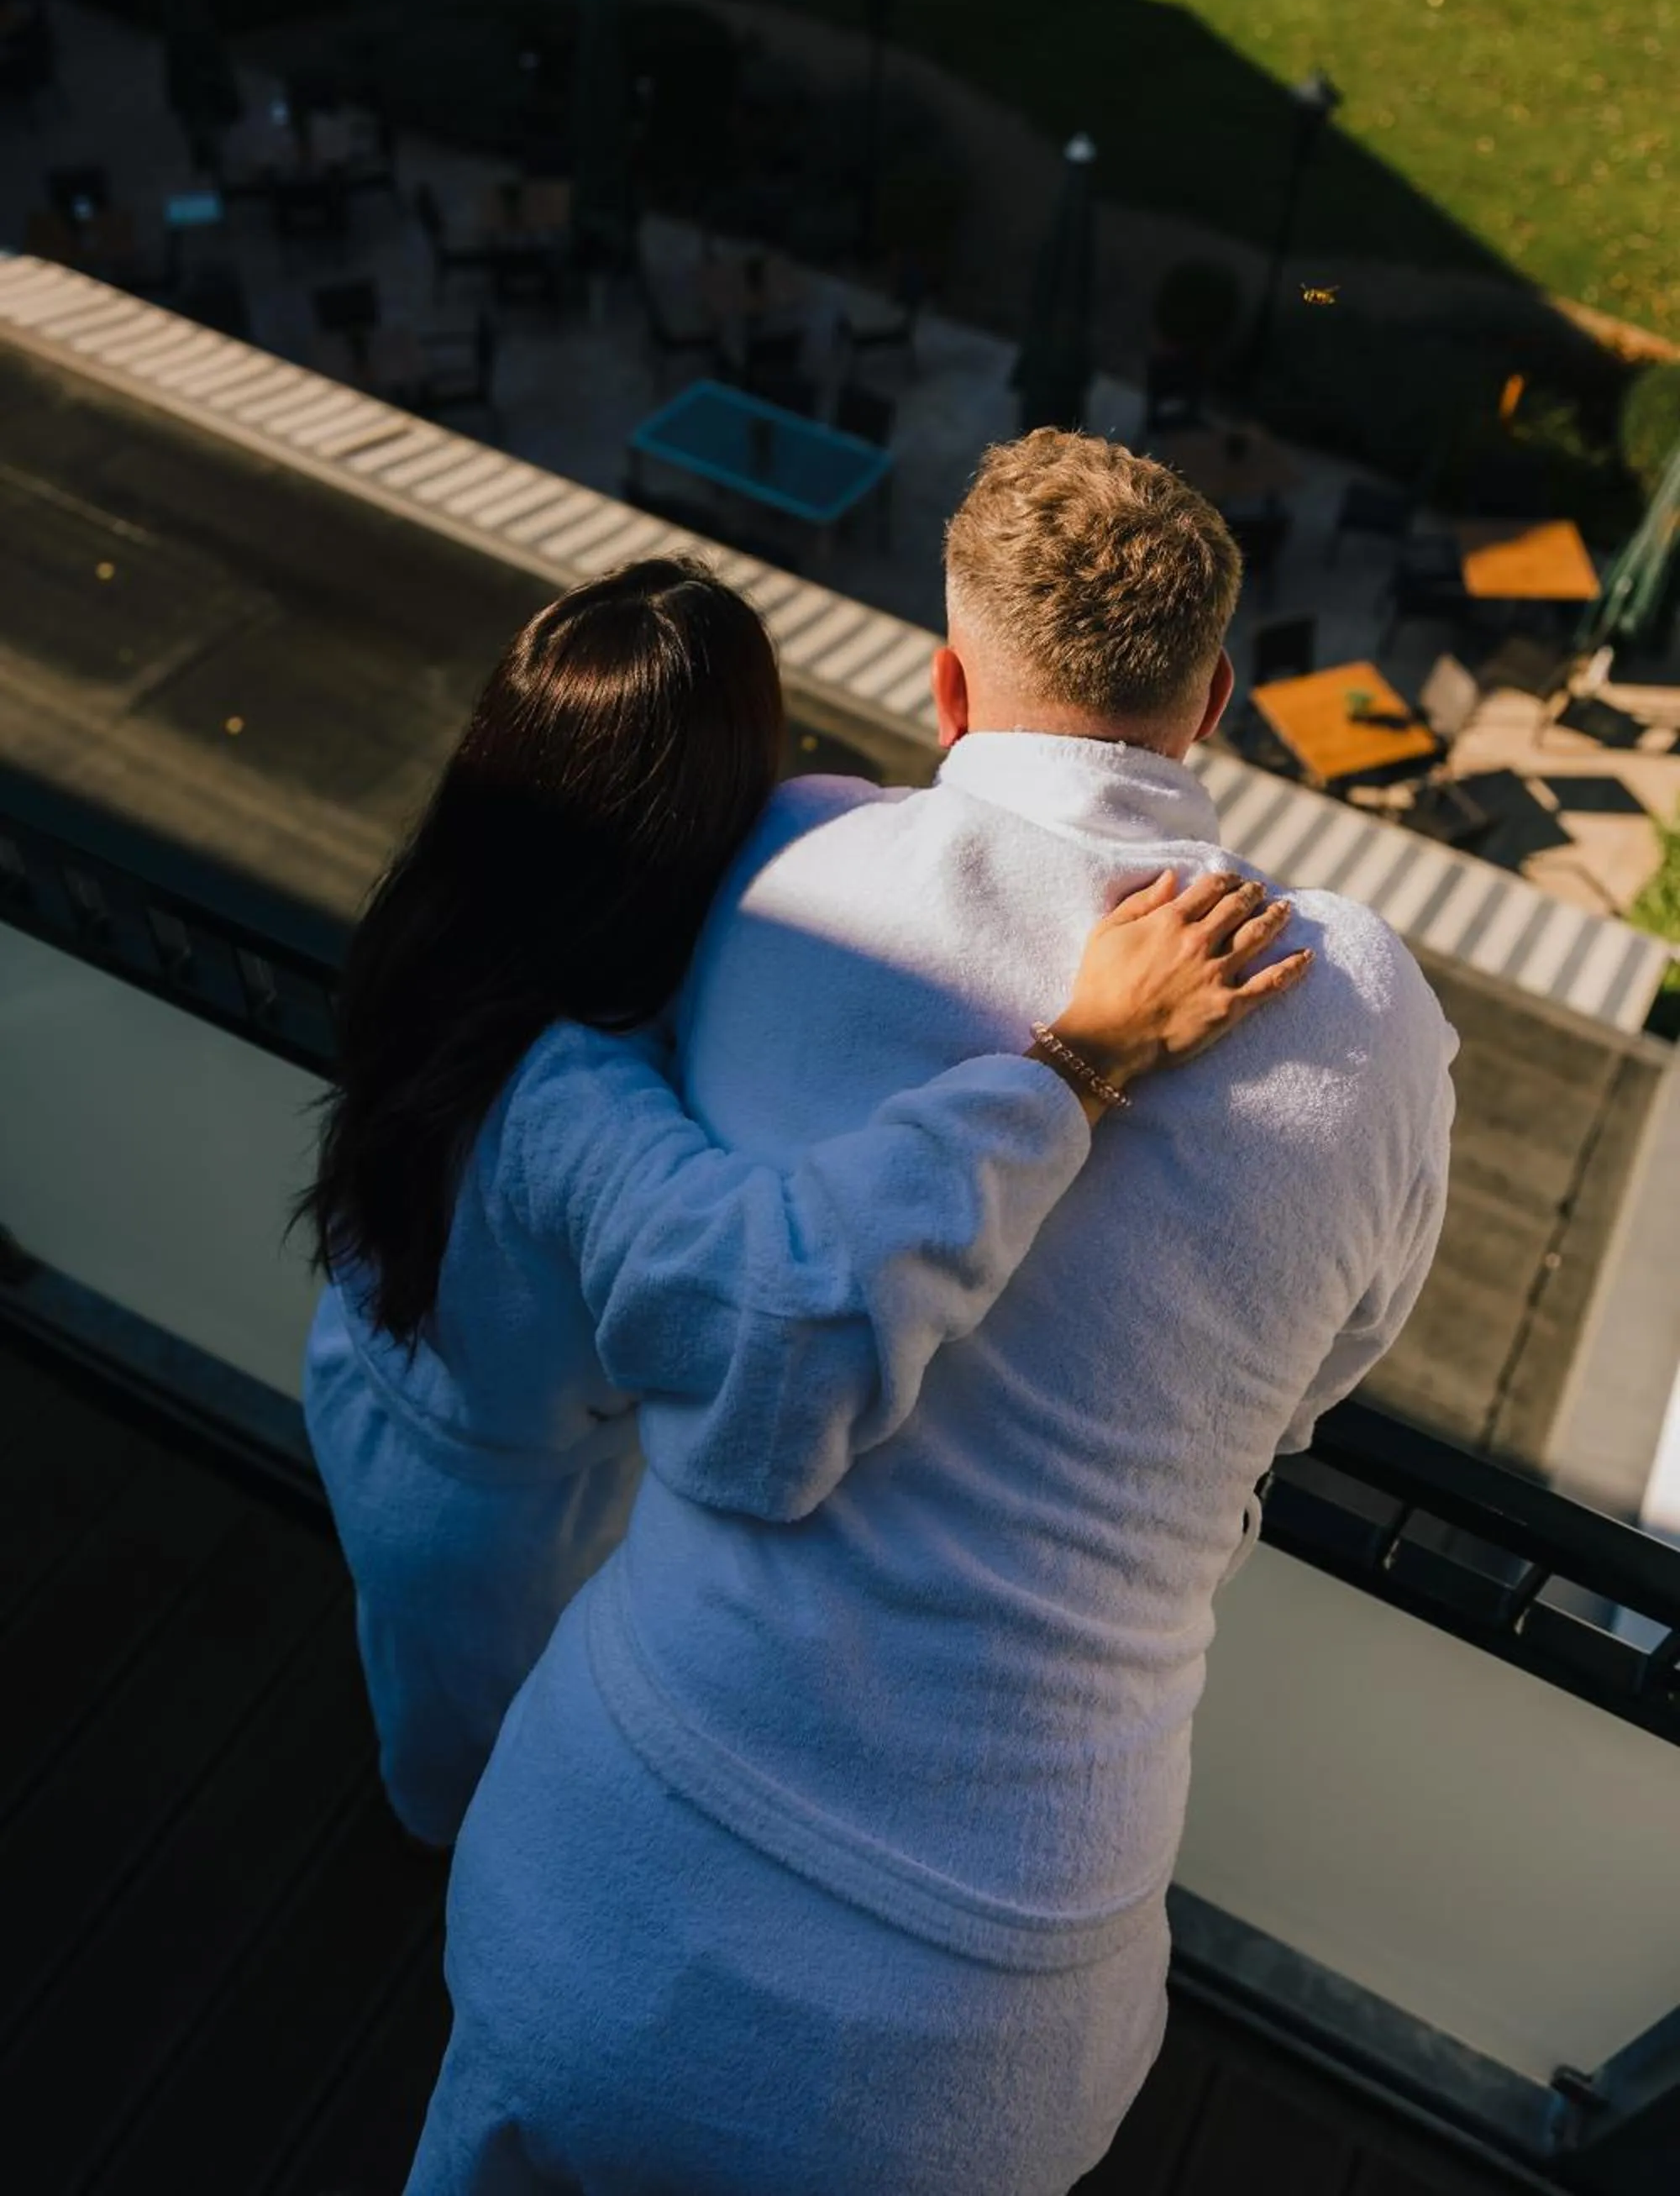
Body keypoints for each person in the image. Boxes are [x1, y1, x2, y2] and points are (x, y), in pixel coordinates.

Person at [407, 439, 1457, 2196]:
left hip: (610, 1866)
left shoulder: (797, 865)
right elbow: (1328, 1367)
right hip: (988, 2023)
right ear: (1211, 698)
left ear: (947, 679)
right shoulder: (1360, 1011)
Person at [298, 556, 1307, 1849]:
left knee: (423, 1711)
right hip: (495, 1530)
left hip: (369, 1380)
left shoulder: (448, 926)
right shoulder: (568, 1095)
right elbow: (783, 1308)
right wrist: (1079, 1060)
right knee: (480, 1802)